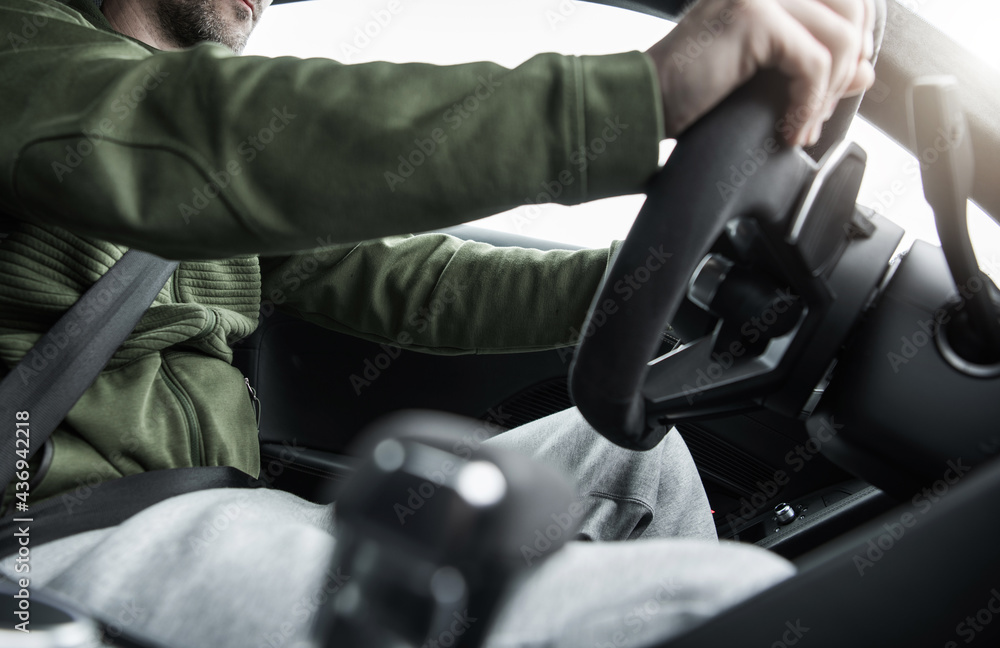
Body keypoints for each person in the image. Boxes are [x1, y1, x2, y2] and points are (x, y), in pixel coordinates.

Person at [0, 0, 876, 645]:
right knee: (715, 604)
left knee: (638, 454)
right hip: (57, 544)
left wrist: (667, 278)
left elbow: (417, 283)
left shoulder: (224, 163)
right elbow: (214, 129)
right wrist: (630, 98)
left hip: (231, 505)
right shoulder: (25, 53)